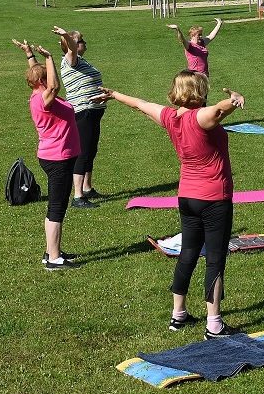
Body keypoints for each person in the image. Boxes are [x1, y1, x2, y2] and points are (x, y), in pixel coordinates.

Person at [95, 72, 244, 339]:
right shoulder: (201, 117)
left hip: (187, 197)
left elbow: (140, 104)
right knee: (215, 259)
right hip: (213, 198)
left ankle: (179, 315)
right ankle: (214, 324)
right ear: (198, 90)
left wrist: (114, 95)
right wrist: (234, 99)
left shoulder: (169, 117)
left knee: (188, 252)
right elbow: (221, 109)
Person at [12, 38, 82, 270]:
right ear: (41, 81)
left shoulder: (37, 95)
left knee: (57, 204)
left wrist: (30, 54)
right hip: (57, 158)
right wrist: (50, 57)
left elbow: (44, 80)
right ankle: (53, 258)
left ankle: (52, 251)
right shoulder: (44, 99)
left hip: (55, 155)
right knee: (57, 206)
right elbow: (53, 87)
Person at [52, 26, 105, 208]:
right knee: (82, 153)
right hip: (84, 112)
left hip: (93, 111)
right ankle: (78, 196)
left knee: (91, 150)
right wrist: (66, 36)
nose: (84, 42)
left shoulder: (80, 60)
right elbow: (72, 49)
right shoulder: (70, 59)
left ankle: (87, 187)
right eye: (81, 40)